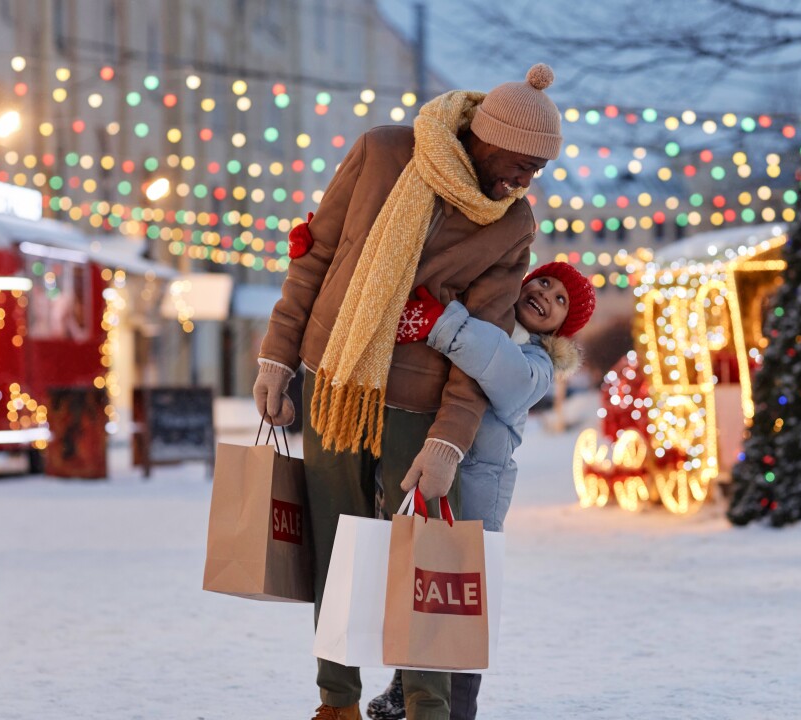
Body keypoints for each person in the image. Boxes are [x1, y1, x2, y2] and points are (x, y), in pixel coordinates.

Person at [252, 64, 563, 720]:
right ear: (485, 136)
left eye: (537, 169)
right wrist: (276, 359)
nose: (525, 180)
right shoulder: (384, 152)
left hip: (417, 408)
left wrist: (450, 441)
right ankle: (335, 700)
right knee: (337, 545)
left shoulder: (512, 225)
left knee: (419, 558)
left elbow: (482, 343)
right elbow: (314, 257)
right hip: (330, 381)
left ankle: (426, 708)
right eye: (519, 162)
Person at [366, 261, 595, 720]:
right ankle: (403, 688)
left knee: (460, 604)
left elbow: (504, 371)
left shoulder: (538, 364)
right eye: (544, 283)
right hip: (433, 478)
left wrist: (441, 321)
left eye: (560, 301)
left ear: (561, 329)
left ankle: (458, 708)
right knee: (421, 587)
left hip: (474, 496)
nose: (546, 296)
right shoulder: (490, 322)